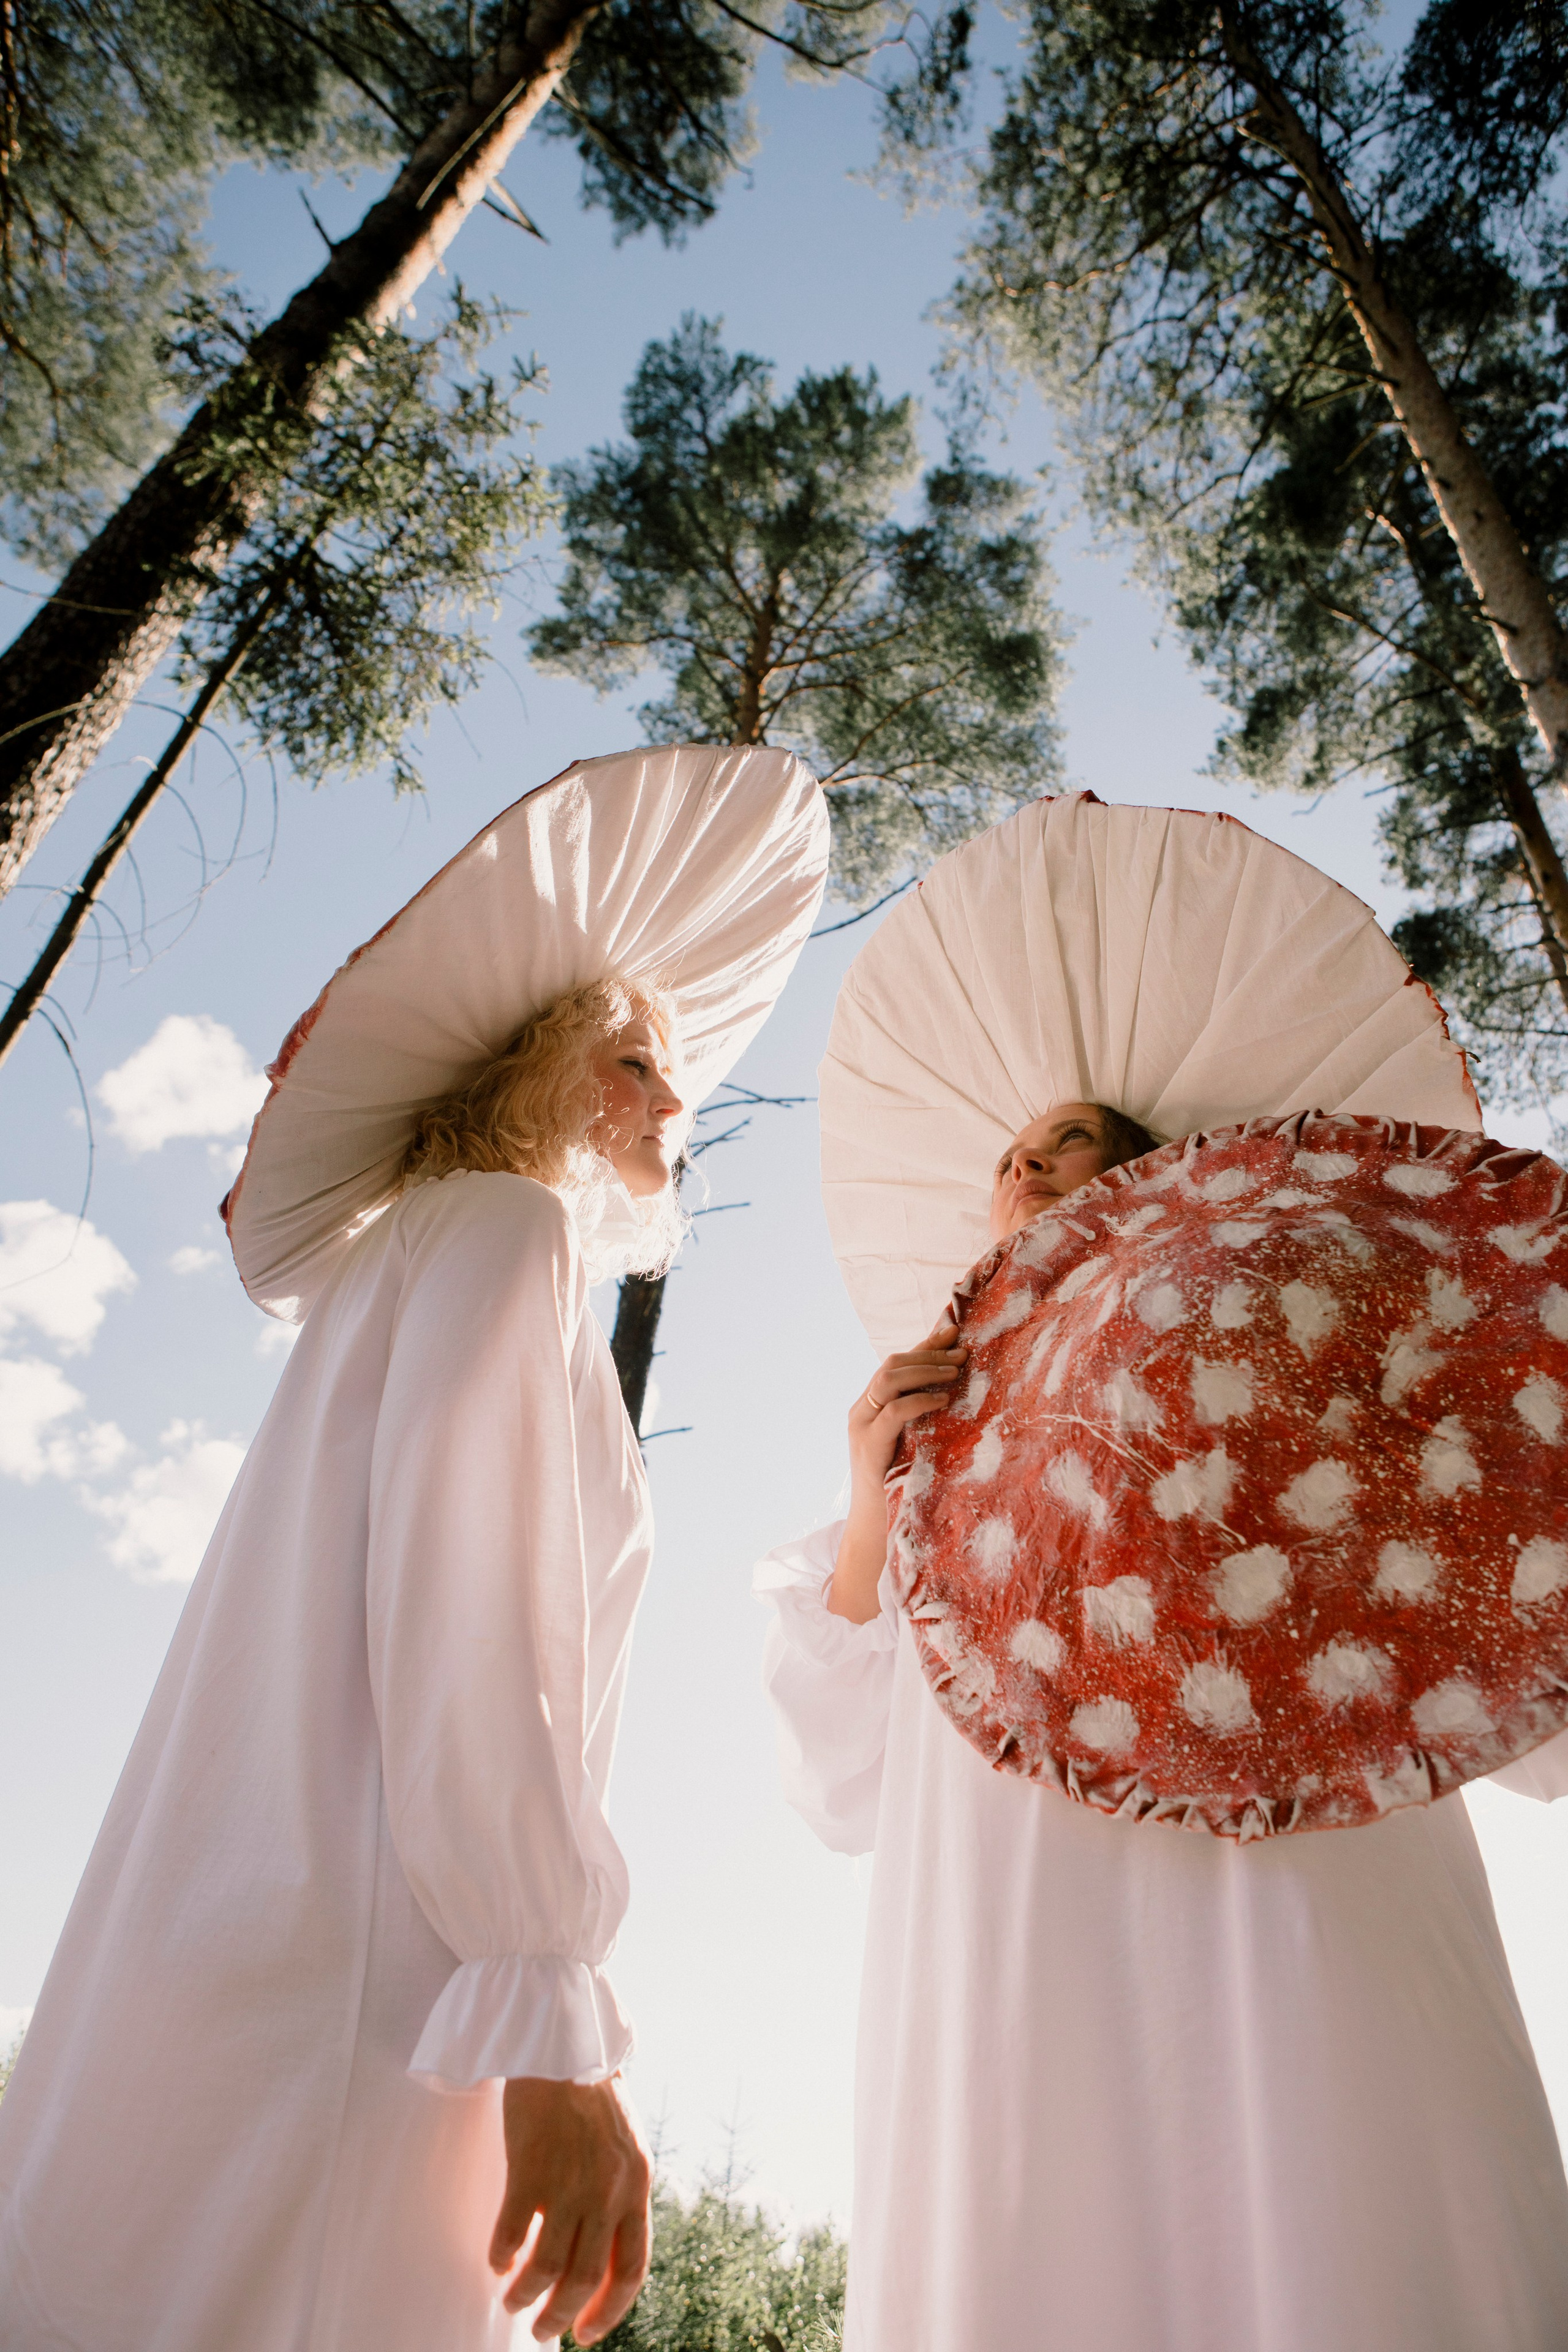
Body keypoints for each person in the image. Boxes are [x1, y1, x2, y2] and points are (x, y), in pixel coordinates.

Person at [0, 745, 829, 2352]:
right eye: (637, 1062)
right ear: (546, 1073)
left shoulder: (406, 1266)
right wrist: (549, 2020)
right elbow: (471, 1623)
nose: (676, 1104)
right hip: (380, 1982)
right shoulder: (508, 1232)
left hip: (247, 1951)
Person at [761, 1094, 1568, 2351]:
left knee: (1330, 2186)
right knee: (1051, 2209)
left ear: (1152, 1171)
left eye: (1069, 1138)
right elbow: (838, 1781)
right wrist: (873, 1500)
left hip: (1290, 1836)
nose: (1027, 1161)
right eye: (1008, 1156)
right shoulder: (922, 1427)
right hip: (1009, 1901)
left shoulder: (1281, 1302)